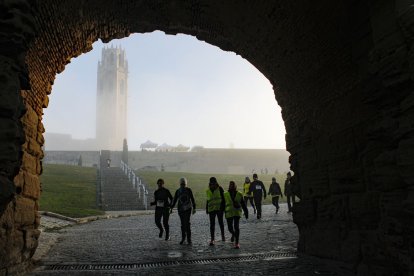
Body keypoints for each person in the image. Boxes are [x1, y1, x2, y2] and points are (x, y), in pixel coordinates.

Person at [171, 177, 196, 244]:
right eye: (182, 184)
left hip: (187, 209)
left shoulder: (188, 190)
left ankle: (188, 239)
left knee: (187, 223)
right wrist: (171, 208)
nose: (183, 185)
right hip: (181, 209)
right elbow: (175, 200)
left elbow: (192, 199)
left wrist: (194, 207)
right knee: (183, 224)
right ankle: (184, 238)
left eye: (183, 184)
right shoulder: (178, 191)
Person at [224, 181, 248, 249]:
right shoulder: (225, 194)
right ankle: (234, 234)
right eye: (230, 185)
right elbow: (223, 204)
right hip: (228, 213)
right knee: (230, 228)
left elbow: (243, 204)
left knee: (236, 227)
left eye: (233, 185)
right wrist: (221, 211)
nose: (231, 186)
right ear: (229, 186)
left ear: (235, 186)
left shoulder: (239, 194)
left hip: (237, 213)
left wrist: (246, 212)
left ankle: (237, 243)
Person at [206, 176, 225, 245]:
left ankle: (223, 236)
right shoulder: (208, 190)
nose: (213, 185)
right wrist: (207, 209)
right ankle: (212, 239)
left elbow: (223, 199)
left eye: (214, 183)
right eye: (211, 183)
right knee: (212, 225)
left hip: (219, 209)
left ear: (216, 183)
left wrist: (222, 208)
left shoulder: (220, 189)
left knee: (221, 223)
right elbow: (208, 200)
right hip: (211, 210)